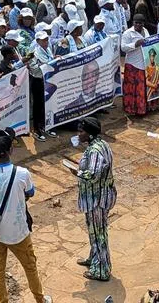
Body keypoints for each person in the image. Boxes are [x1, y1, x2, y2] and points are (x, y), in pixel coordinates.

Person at [0, 129, 46, 303]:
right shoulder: (22, 173)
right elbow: (30, 192)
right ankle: (40, 299)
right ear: (11, 150)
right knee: (30, 266)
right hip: (18, 231)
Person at [63, 116, 116, 282]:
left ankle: (101, 270)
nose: (79, 134)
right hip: (99, 196)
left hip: (97, 200)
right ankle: (94, 259)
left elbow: (92, 175)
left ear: (90, 134)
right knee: (95, 232)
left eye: (81, 131)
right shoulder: (102, 144)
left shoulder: (94, 151)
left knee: (99, 233)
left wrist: (76, 172)